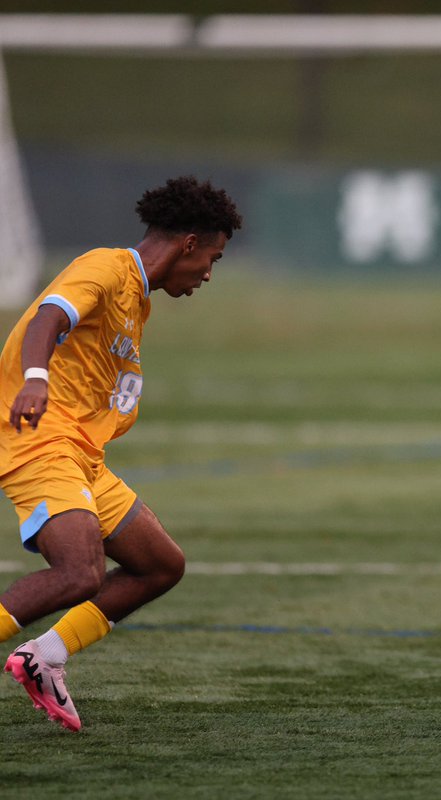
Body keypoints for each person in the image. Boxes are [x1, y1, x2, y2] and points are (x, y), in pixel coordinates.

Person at [0, 175, 242, 731]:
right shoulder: (108, 268)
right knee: (79, 573)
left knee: (160, 565)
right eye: (213, 257)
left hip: (81, 453)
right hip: (41, 440)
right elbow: (48, 317)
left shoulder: (138, 300)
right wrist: (35, 379)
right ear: (188, 243)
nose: (209, 272)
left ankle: (45, 656)